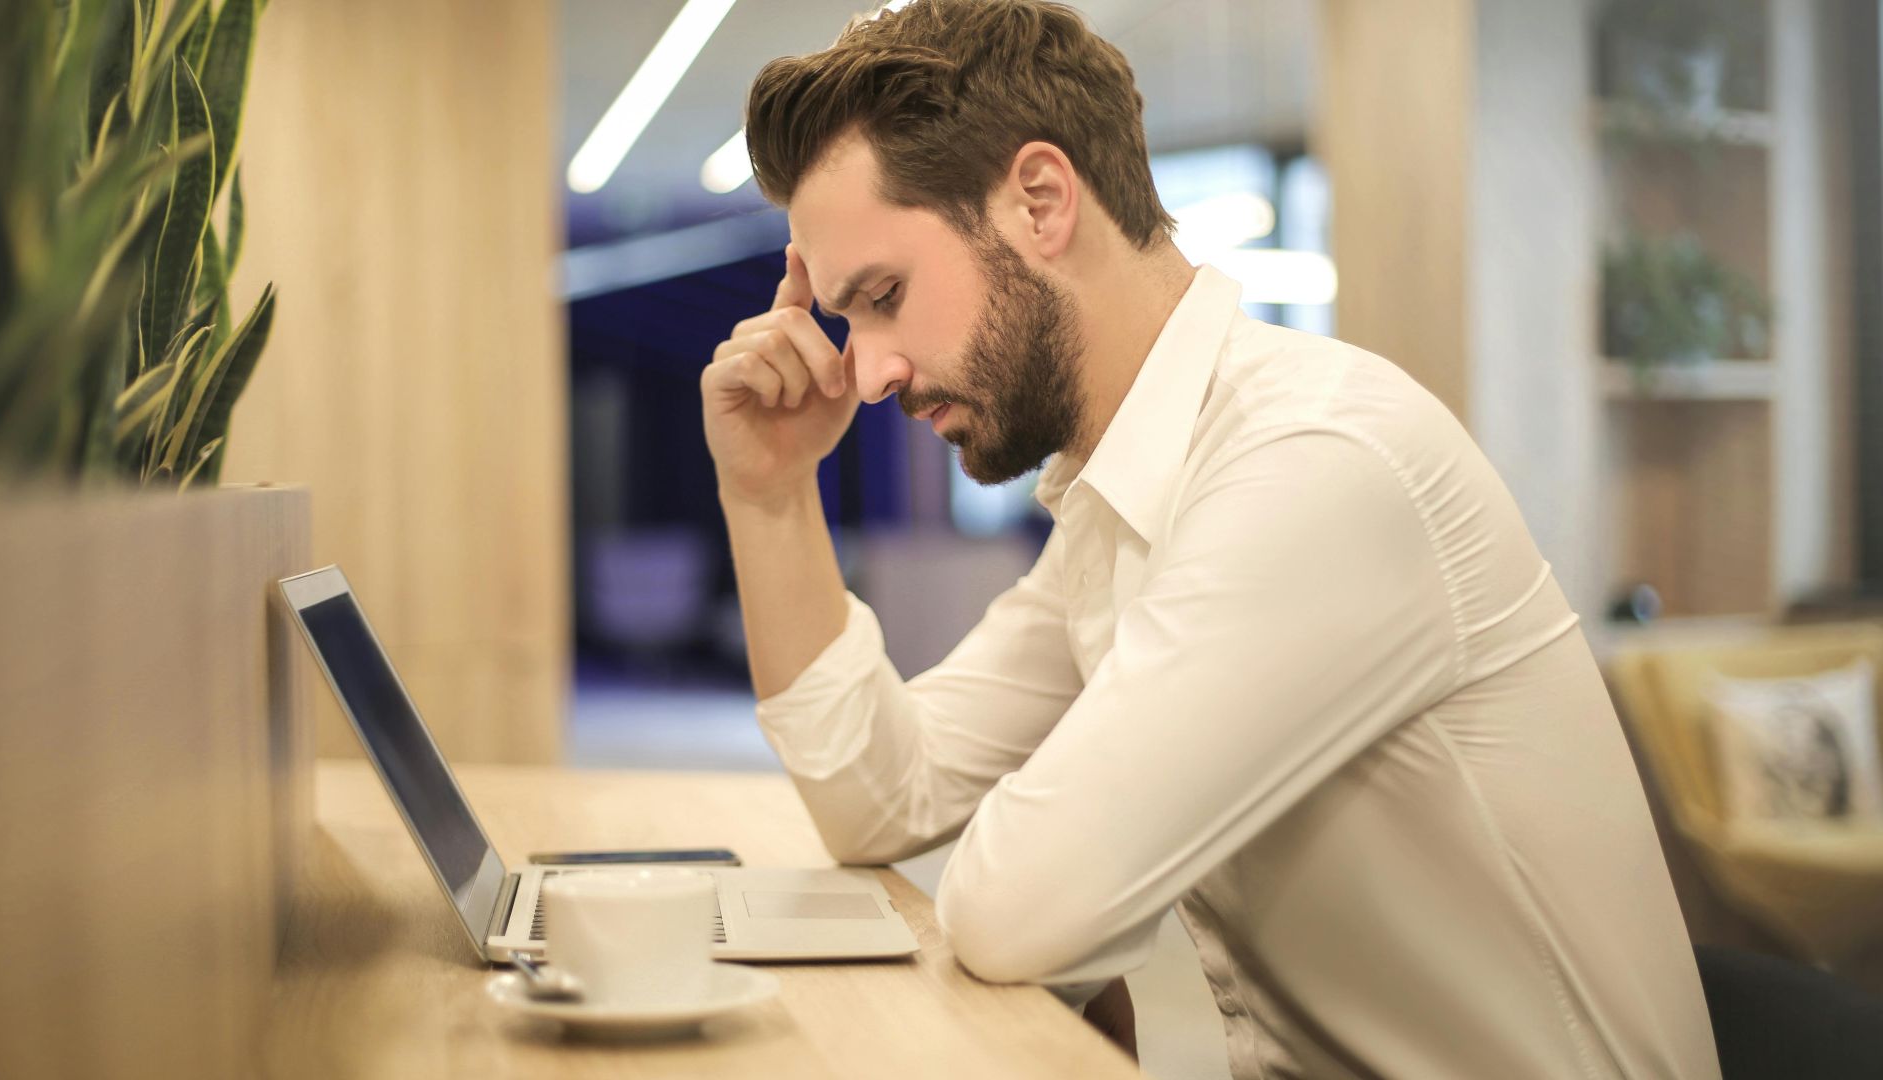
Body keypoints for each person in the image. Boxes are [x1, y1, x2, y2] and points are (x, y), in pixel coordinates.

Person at [697, 2, 1721, 1076]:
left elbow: (1015, 910)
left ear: (1040, 201)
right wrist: (767, 493)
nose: (865, 374)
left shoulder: (1312, 465)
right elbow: (880, 798)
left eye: (887, 298)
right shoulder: (1124, 496)